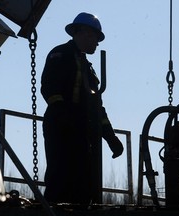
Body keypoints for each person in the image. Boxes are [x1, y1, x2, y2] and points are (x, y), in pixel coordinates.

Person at [41, 12, 124, 205]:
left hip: (81, 130)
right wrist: (63, 115)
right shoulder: (60, 54)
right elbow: (50, 87)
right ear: (84, 33)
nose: (97, 43)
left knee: (84, 182)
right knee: (59, 175)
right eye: (95, 37)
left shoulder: (88, 68)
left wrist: (110, 137)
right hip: (60, 127)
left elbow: (97, 109)